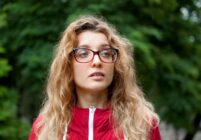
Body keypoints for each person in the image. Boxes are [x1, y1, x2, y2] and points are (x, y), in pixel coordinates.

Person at [28, 15, 161, 140]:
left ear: (116, 65)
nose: (97, 61)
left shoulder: (143, 125)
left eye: (106, 53)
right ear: (68, 65)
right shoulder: (44, 129)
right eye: (84, 53)